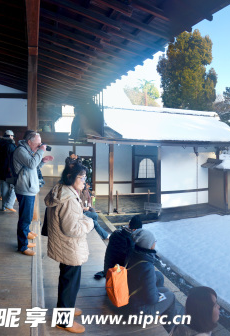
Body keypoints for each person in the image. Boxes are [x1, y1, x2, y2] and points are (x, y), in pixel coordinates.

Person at [45, 165, 94, 333]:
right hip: (70, 246)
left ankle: (67, 310)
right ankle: (64, 320)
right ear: (70, 177)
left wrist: (81, 217)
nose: (84, 181)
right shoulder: (70, 200)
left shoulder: (61, 190)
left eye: (84, 178)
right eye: (81, 178)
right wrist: (89, 222)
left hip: (64, 245)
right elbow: (72, 229)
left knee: (68, 280)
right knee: (70, 283)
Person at [13, 130, 52, 256]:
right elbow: (31, 164)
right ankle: (22, 246)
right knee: (25, 218)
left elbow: (34, 166)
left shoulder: (28, 150)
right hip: (24, 189)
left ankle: (24, 240)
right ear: (29, 142)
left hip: (29, 188)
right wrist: (41, 151)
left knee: (27, 217)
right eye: (38, 143)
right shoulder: (21, 151)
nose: (40, 145)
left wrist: (43, 161)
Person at [125, 230, 176, 319]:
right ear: (149, 245)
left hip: (132, 298)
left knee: (159, 277)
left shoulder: (133, 254)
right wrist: (157, 295)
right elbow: (152, 299)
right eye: (154, 241)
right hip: (140, 311)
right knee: (171, 296)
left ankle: (160, 312)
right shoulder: (147, 266)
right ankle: (169, 327)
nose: (155, 243)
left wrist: (156, 293)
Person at [94, 216, 142, 280]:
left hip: (107, 273)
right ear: (135, 230)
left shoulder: (115, 233)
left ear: (129, 225)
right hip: (117, 280)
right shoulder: (130, 241)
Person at [0, 129, 17, 212]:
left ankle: (4, 207)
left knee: (4, 189)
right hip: (9, 170)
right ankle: (10, 204)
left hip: (1, 170)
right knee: (16, 186)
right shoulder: (11, 145)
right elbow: (13, 159)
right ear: (11, 136)